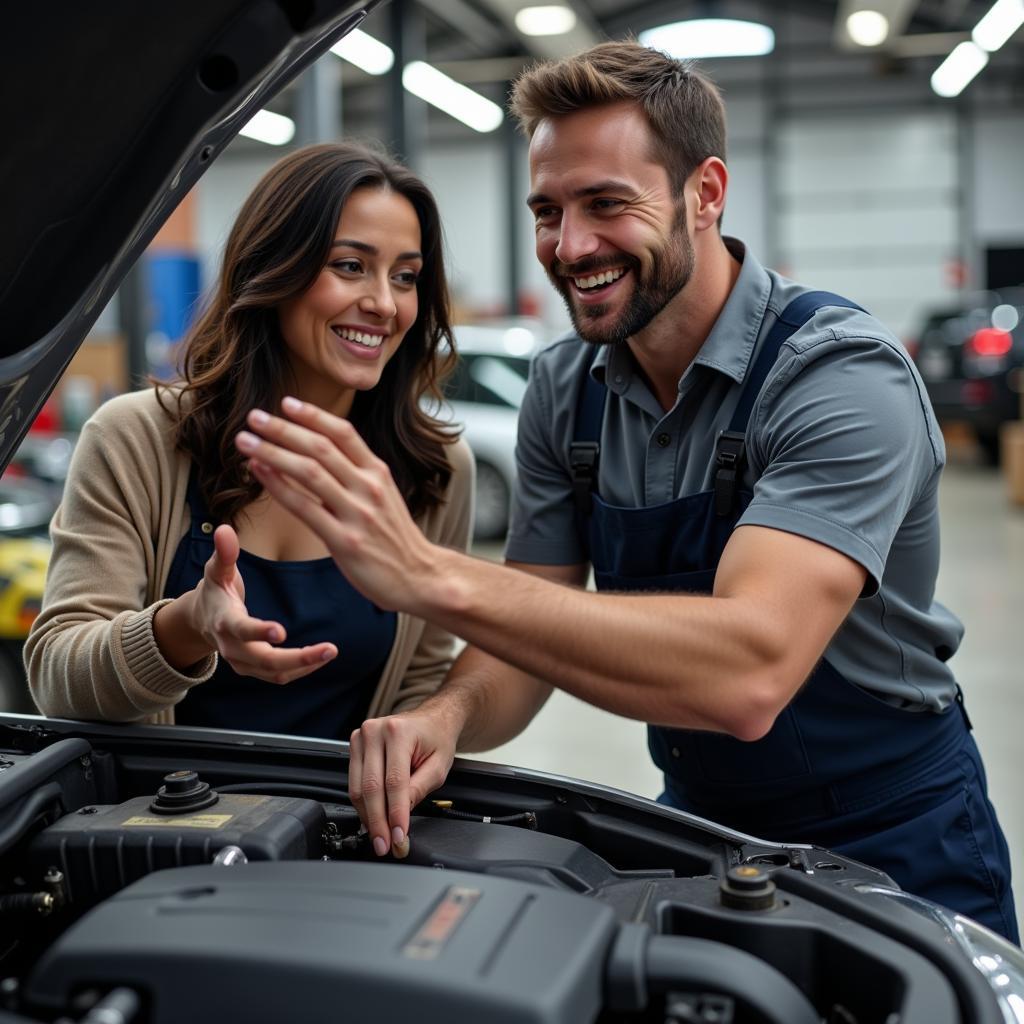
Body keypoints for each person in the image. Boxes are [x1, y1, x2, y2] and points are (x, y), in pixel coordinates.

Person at [235, 45, 1018, 940]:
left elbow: (750, 670)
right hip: (700, 826)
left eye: (607, 204)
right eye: (547, 212)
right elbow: (527, 633)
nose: (570, 248)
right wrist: (446, 715)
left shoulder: (838, 377)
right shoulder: (565, 391)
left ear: (705, 192)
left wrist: (427, 574)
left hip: (894, 837)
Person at [26, 143, 474, 782]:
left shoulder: (435, 468)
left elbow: (423, 672)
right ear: (274, 269)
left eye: (405, 276)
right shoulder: (136, 439)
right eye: (350, 266)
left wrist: (417, 738)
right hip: (162, 840)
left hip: (345, 840)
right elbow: (56, 678)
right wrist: (186, 626)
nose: (384, 303)